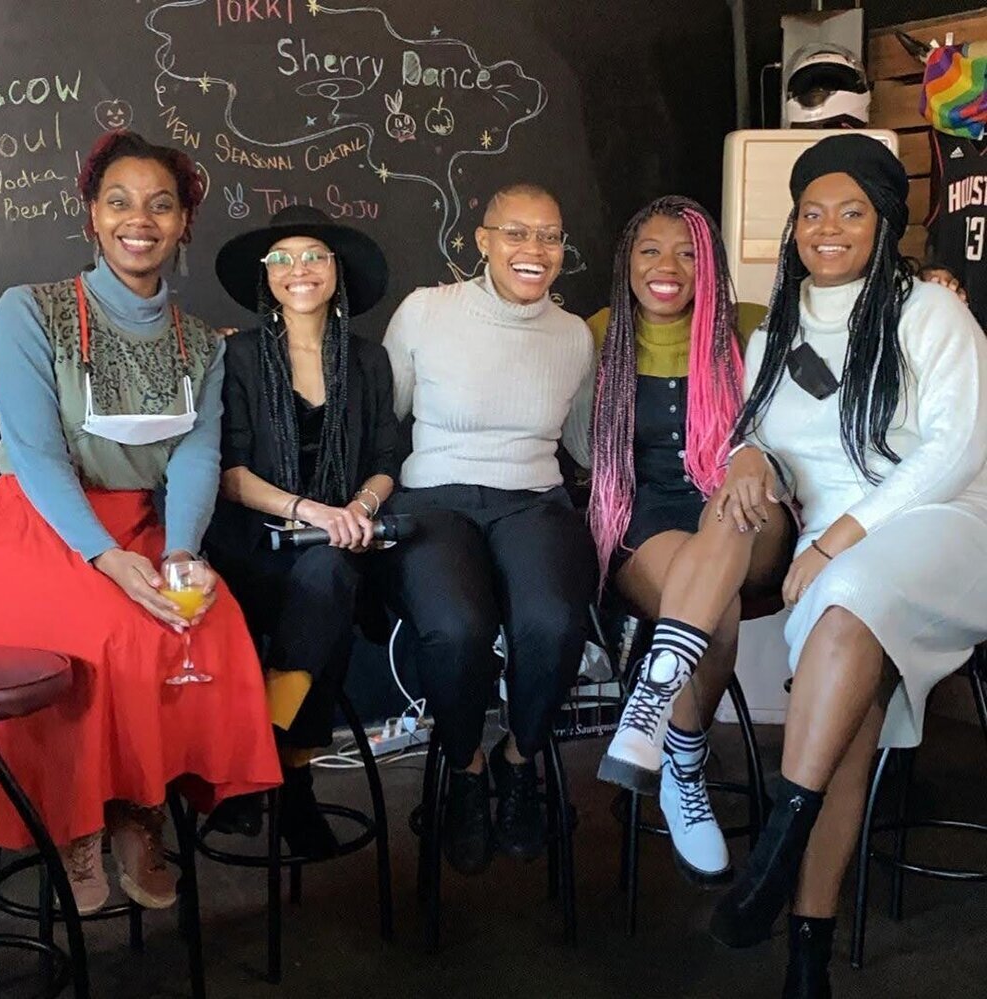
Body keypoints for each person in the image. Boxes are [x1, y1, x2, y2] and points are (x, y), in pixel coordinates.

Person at [605, 133, 987, 996]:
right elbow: (760, 439)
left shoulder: (928, 310)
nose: (828, 228)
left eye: (852, 211)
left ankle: (780, 840)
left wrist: (834, 540)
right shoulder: (778, 323)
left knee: (849, 601)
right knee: (843, 701)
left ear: (885, 222)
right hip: (833, 554)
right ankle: (804, 941)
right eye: (812, 211)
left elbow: (957, 447)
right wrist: (747, 460)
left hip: (938, 524)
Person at [0, 131, 281, 915]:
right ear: (91, 215)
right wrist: (106, 559)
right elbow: (37, 454)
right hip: (44, 525)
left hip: (150, 523)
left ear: (184, 222)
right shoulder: (30, 311)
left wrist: (181, 552)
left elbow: (197, 455)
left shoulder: (198, 343)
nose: (138, 220)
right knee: (105, 637)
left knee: (206, 626)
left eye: (161, 204)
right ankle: (77, 824)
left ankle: (139, 808)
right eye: (119, 201)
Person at [380, 183, 597, 875]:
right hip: (433, 498)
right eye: (516, 233)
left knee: (555, 621)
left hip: (531, 497)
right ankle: (466, 765)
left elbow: (590, 443)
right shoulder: (426, 311)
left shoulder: (572, 336)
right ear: (482, 240)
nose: (534, 250)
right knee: (456, 627)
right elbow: (386, 414)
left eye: (550, 236)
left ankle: (518, 758)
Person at [588, 195, 780, 885]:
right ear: (626, 262)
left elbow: (832, 352)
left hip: (747, 507)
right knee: (711, 601)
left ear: (711, 264)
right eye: (649, 250)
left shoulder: (754, 327)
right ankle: (684, 762)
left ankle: (650, 702)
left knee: (729, 517)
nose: (667, 266)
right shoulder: (598, 334)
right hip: (647, 520)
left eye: (688, 251)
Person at [205, 205, 397, 855]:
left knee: (330, 575)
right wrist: (311, 509)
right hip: (249, 545)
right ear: (267, 277)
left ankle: (257, 758)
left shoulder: (370, 362)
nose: (299, 270)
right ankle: (294, 782)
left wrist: (360, 507)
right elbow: (228, 472)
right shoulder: (234, 356)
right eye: (282, 258)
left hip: (339, 543)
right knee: (324, 600)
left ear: (336, 270)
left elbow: (384, 462)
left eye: (313, 254)